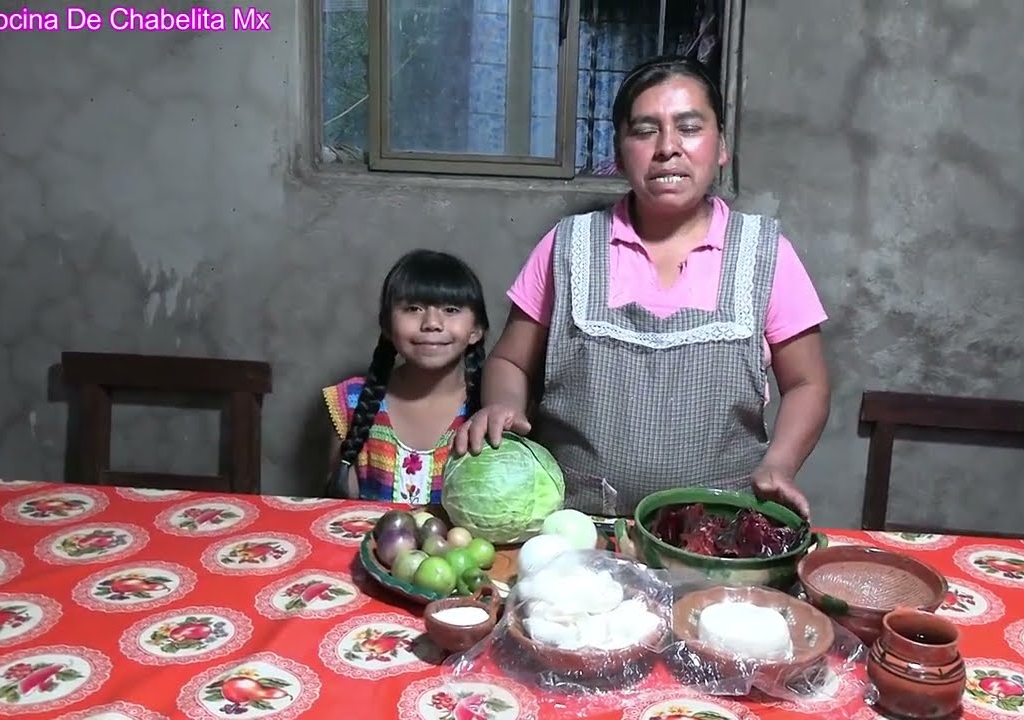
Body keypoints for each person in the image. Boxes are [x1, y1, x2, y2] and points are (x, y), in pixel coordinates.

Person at [453, 55, 830, 519]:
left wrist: (780, 462)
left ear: (722, 147)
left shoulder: (765, 254)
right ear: (620, 148)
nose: (668, 147)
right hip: (578, 527)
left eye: (689, 127)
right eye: (645, 130)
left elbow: (807, 383)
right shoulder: (569, 245)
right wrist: (503, 406)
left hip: (720, 532)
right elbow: (511, 359)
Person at [323, 249, 489, 503]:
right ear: (387, 327)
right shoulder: (351, 401)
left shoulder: (490, 408)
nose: (432, 323)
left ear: (476, 330)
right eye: (413, 308)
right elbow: (337, 507)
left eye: (451, 309)